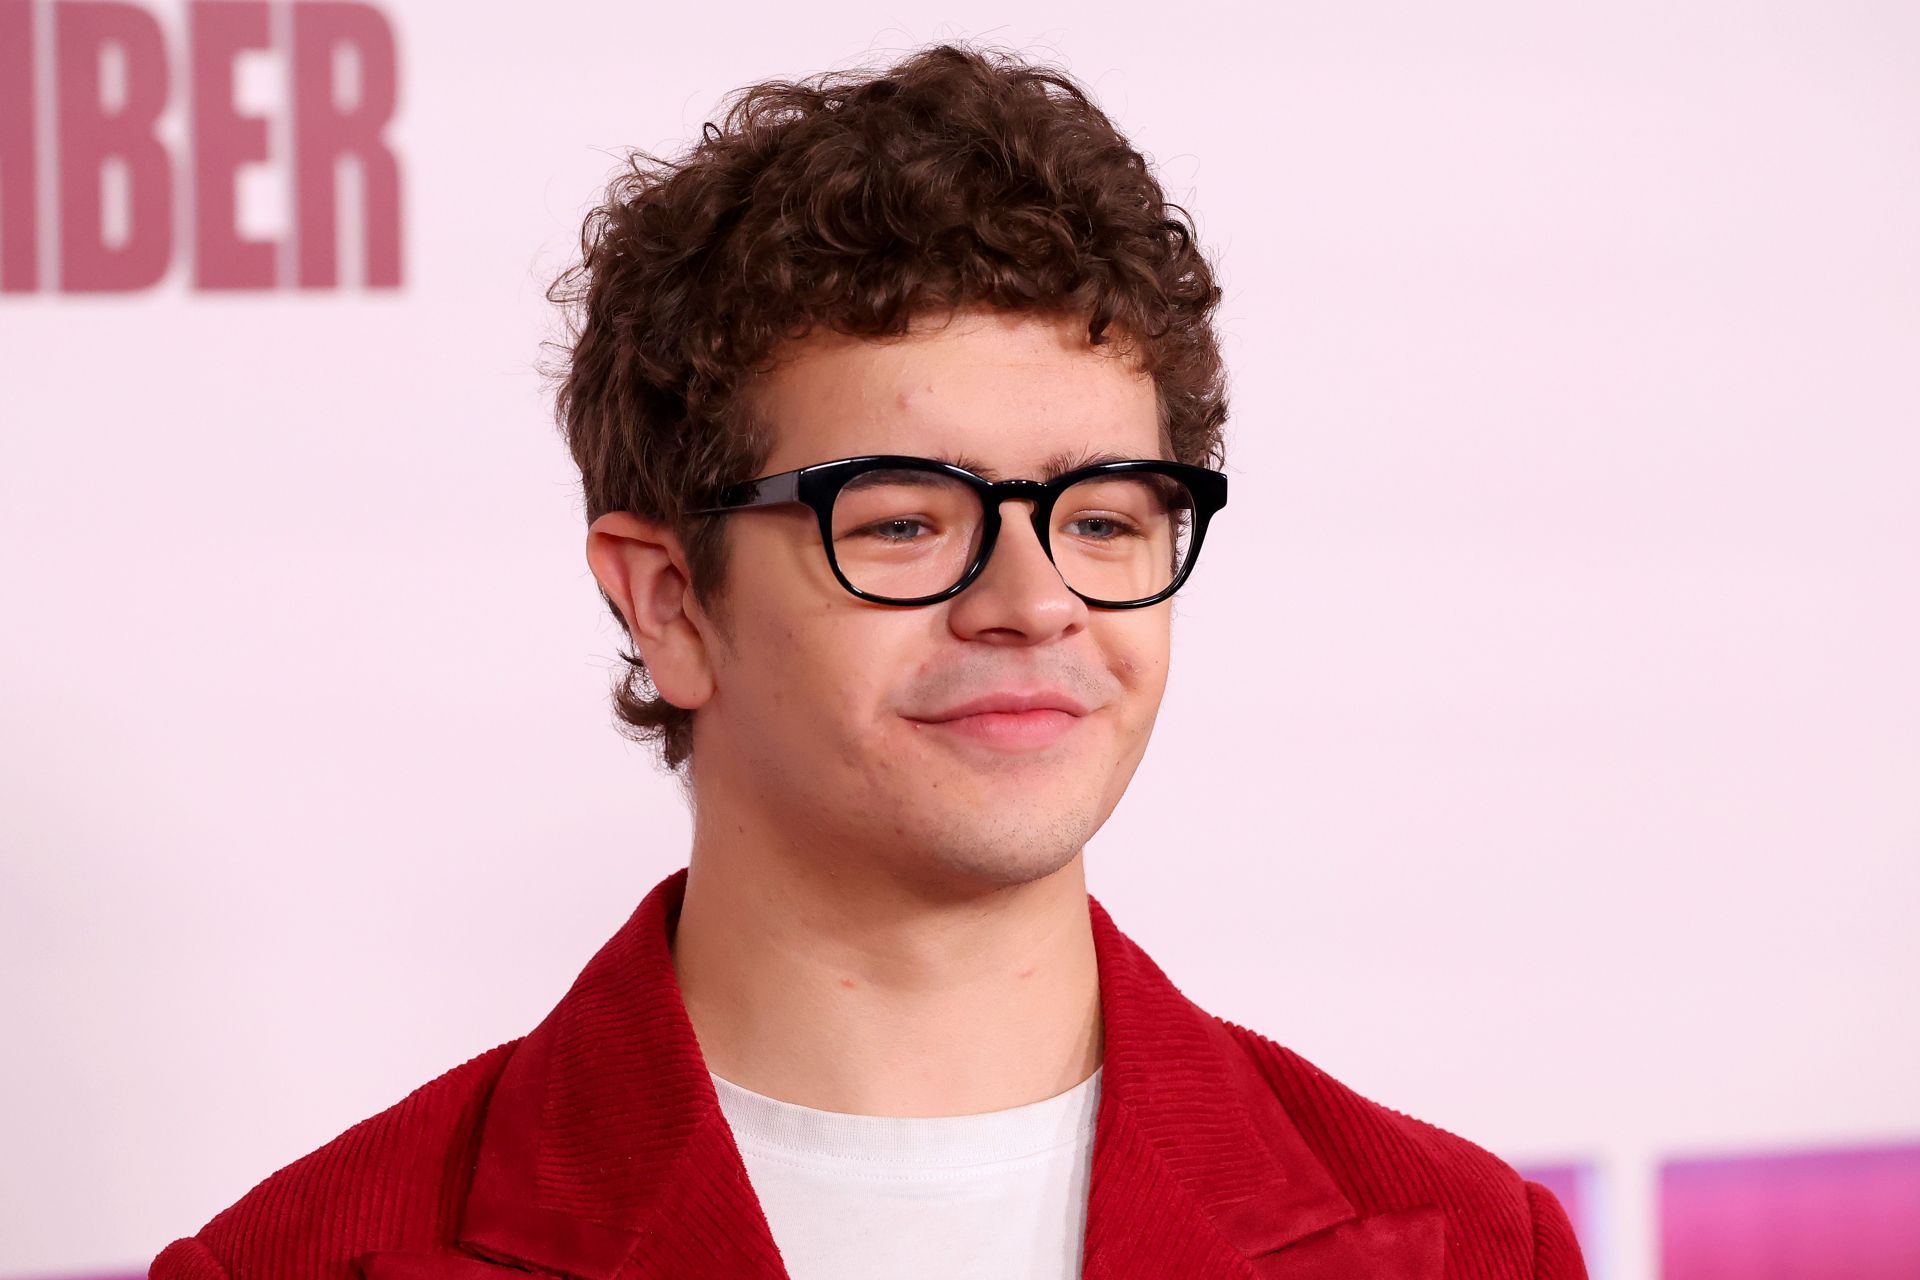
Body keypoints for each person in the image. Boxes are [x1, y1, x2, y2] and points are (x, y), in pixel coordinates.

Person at [151, 41, 1587, 1280]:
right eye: (904, 521)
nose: (1033, 600)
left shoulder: (1466, 1245)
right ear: (669, 606)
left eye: (1100, 518)